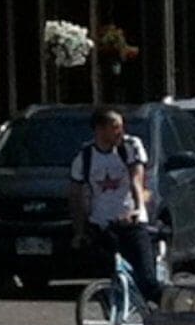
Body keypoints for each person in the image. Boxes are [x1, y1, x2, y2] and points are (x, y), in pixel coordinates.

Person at [70, 107, 163, 304]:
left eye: (121, 126)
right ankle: (115, 323)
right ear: (100, 130)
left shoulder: (130, 146)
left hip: (132, 223)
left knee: (147, 281)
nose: (121, 131)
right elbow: (76, 196)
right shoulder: (84, 158)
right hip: (102, 225)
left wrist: (137, 209)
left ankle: (165, 312)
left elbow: (137, 180)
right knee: (107, 283)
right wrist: (79, 231)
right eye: (115, 127)